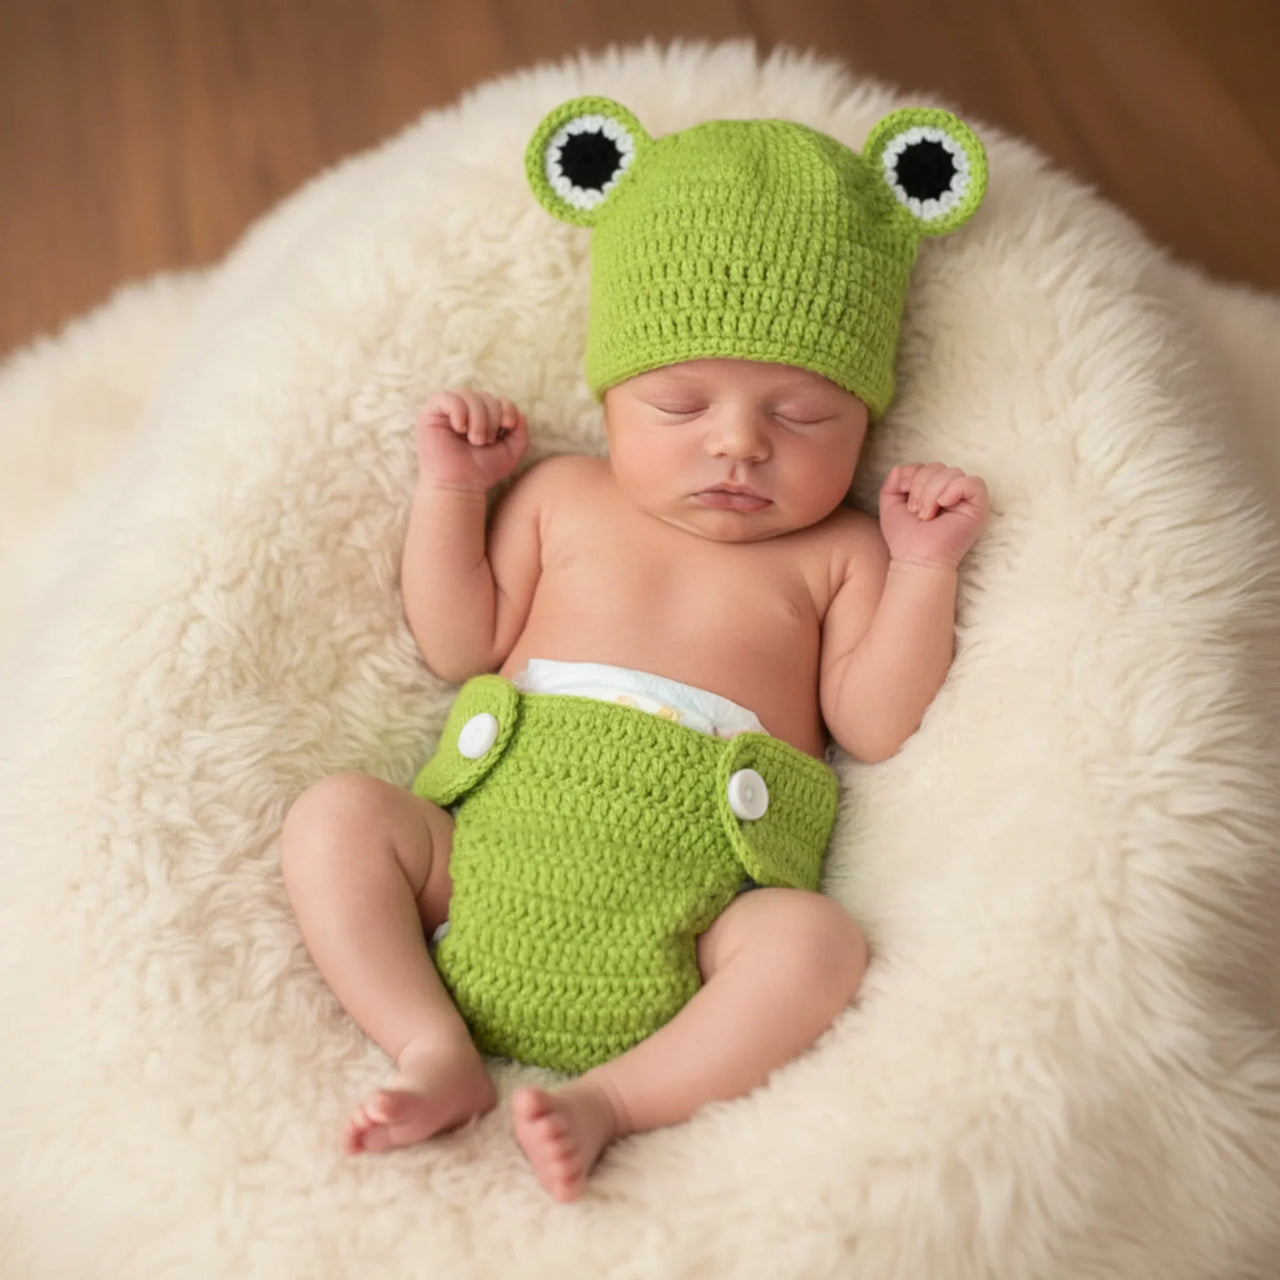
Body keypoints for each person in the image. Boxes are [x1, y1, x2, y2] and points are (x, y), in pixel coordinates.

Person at [280, 95, 991, 1202]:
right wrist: (451, 494)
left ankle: (614, 1098)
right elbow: (456, 636)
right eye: (679, 401)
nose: (738, 444)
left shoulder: (842, 553)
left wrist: (922, 570)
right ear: (610, 399)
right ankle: (430, 1045)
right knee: (334, 817)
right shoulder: (563, 494)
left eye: (802, 417)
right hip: (473, 875)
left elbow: (874, 719)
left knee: (812, 947)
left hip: (699, 919)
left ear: (863, 422)